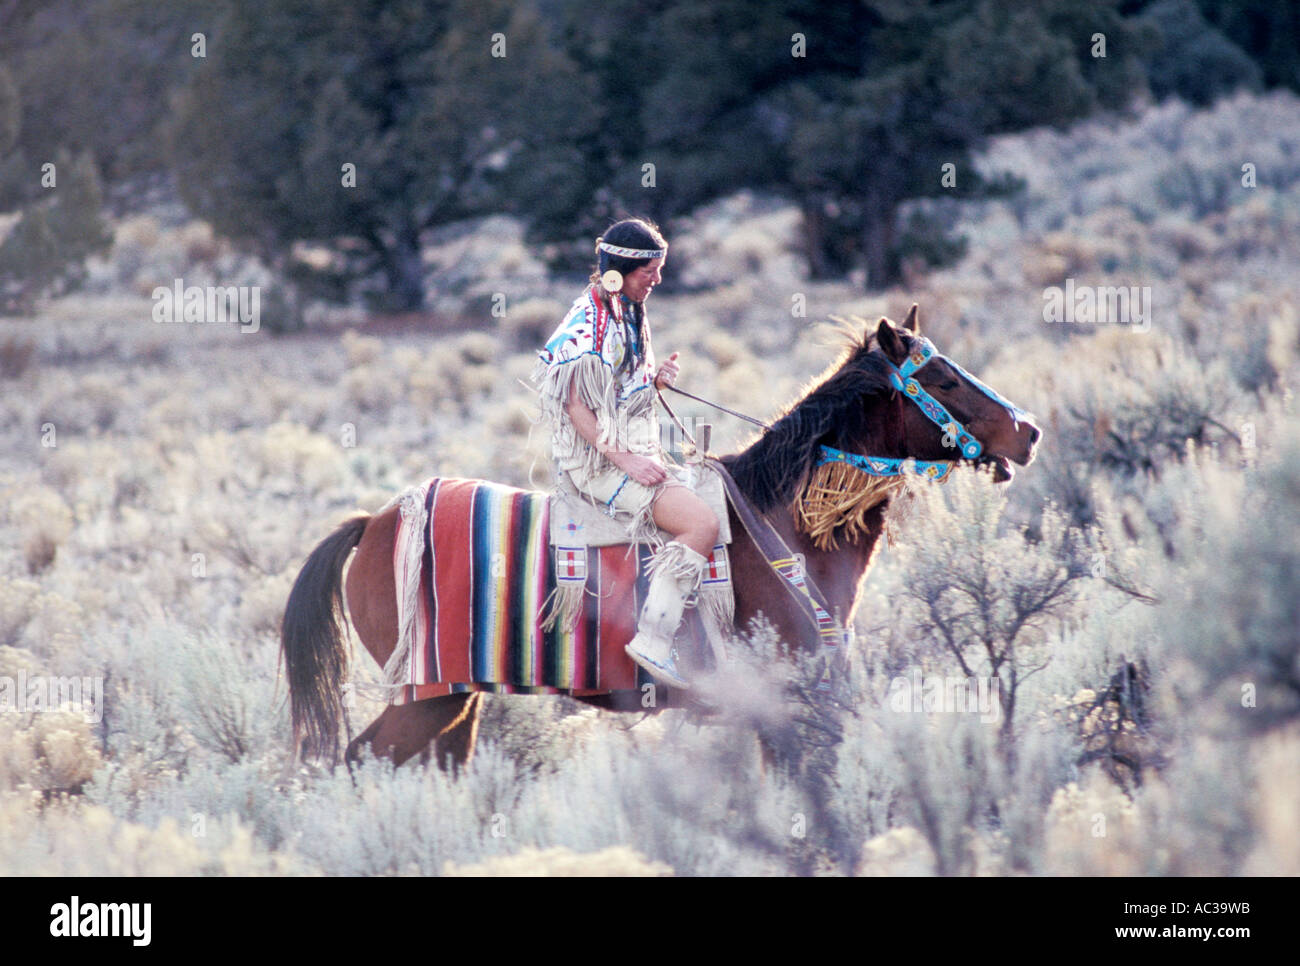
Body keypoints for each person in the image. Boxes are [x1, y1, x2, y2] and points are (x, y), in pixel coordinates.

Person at [533, 217, 719, 689]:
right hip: (596, 463)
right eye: (649, 271)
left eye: (660, 270)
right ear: (619, 268)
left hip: (634, 443)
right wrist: (628, 461)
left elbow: (616, 389)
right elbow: (578, 409)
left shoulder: (626, 309)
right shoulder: (587, 325)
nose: (657, 280)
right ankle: (654, 642)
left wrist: (655, 381)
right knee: (701, 524)